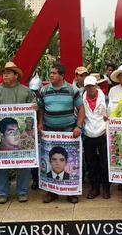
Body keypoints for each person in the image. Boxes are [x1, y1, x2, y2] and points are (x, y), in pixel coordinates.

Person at [0, 62, 36, 204]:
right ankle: (2, 192)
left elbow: (35, 107)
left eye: (9, 72)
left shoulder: (26, 91)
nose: (5, 75)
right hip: (3, 137)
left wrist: (35, 107)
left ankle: (22, 191)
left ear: (16, 75)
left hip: (20, 138)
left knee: (23, 163)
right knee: (1, 164)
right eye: (4, 72)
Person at [37, 64, 84, 204]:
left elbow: (81, 108)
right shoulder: (44, 90)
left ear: (62, 75)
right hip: (49, 131)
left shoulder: (71, 90)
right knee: (51, 160)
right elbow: (41, 108)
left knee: (68, 161)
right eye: (50, 73)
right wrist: (40, 123)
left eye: (54, 73)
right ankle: (51, 192)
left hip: (69, 131)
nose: (51, 75)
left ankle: (71, 192)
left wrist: (78, 126)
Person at [82, 75, 110, 199]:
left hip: (103, 133)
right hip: (88, 133)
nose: (90, 88)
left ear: (96, 86)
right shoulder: (82, 100)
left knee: (104, 162)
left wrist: (108, 126)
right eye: (88, 86)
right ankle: (95, 188)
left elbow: (110, 114)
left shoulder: (105, 98)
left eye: (92, 86)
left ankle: (106, 188)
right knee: (91, 163)